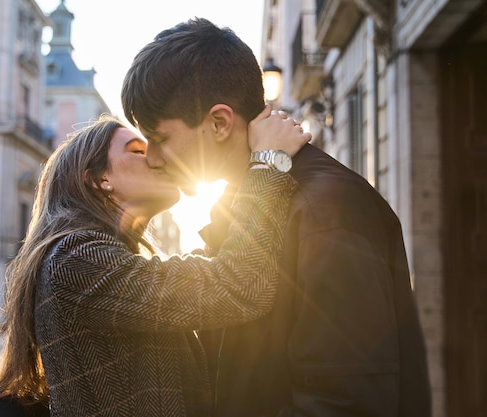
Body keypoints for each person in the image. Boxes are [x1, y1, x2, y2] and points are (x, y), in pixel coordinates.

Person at [121, 17, 432, 417]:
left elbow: (345, 404)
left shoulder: (329, 209)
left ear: (219, 122)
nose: (151, 157)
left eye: (159, 138)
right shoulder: (246, 207)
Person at [0, 113, 309, 417]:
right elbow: (236, 285)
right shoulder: (75, 260)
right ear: (99, 178)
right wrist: (268, 162)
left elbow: (208, 270)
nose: (157, 157)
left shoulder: (100, 258)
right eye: (138, 150)